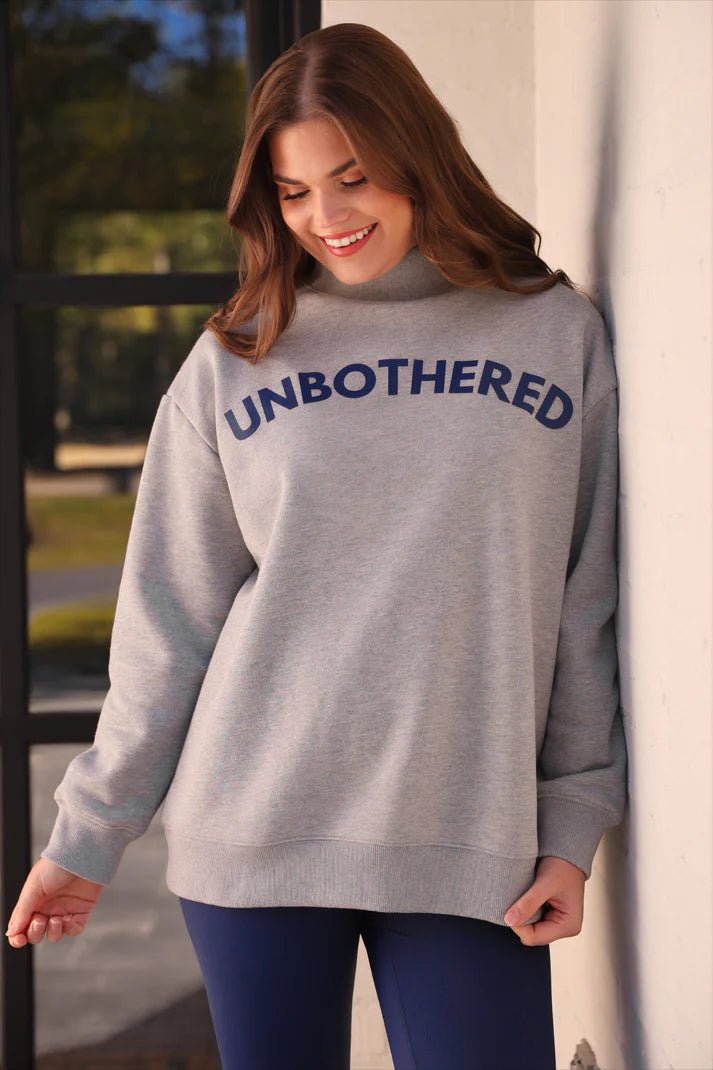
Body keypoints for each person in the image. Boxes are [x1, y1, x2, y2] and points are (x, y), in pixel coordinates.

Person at [6, 22, 627, 1070]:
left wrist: (570, 821)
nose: (327, 218)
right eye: (294, 193)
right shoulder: (235, 357)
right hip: (252, 831)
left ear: (416, 158)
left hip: (471, 837)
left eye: (353, 179)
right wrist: (88, 833)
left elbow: (581, 599)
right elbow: (169, 620)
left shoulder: (551, 333)